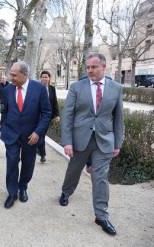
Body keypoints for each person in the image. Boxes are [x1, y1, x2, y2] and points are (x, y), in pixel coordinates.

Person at [59, 53, 124, 236]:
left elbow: (119, 118)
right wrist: (67, 141)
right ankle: (66, 191)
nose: (90, 70)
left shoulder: (116, 88)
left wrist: (117, 142)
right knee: (74, 169)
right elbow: (68, 116)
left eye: (93, 67)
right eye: (87, 67)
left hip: (105, 141)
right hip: (80, 139)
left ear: (104, 67)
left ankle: (101, 216)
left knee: (100, 177)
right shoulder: (76, 87)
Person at [0, 61, 51, 209]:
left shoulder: (39, 89)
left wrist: (38, 132)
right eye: (11, 74)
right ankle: (12, 192)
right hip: (11, 134)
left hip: (31, 136)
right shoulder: (8, 89)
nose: (11, 77)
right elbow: (4, 109)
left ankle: (23, 188)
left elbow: (47, 113)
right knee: (11, 163)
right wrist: (3, 128)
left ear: (24, 74)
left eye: (14, 75)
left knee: (28, 163)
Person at [37, 71, 60, 163]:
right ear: (40, 78)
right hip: (37, 116)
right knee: (40, 135)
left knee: (41, 135)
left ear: (49, 78)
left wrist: (57, 115)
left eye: (46, 77)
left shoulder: (52, 89)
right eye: (43, 77)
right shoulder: (37, 88)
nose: (44, 79)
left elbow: (55, 102)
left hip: (47, 117)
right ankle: (42, 154)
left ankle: (41, 152)